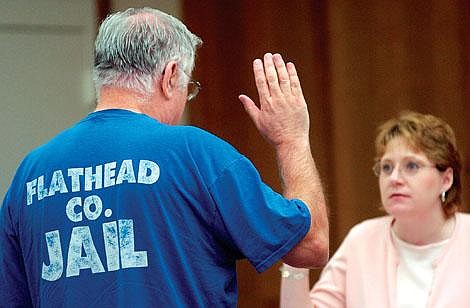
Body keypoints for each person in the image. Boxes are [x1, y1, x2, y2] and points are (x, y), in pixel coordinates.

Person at [0, 7, 329, 307]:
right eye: (189, 87)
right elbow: (310, 244)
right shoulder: (195, 155)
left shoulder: (31, 174)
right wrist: (292, 139)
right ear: (171, 75)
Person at [280, 110, 469, 307]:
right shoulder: (362, 241)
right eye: (387, 167)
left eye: (411, 166)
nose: (394, 178)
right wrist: (295, 263)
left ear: (446, 179)